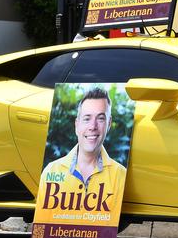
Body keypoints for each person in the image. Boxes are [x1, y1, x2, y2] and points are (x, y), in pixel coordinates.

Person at [35, 87, 127, 227]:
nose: (93, 126)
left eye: (101, 119)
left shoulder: (121, 176)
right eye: (87, 118)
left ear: (109, 124)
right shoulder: (51, 171)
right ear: (76, 125)